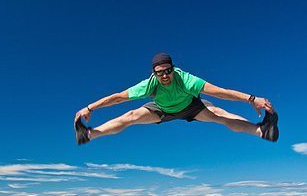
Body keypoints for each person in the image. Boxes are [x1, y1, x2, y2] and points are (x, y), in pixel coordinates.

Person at [74, 53, 279, 145]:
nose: (164, 75)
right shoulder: (150, 84)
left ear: (173, 69)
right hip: (162, 110)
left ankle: (262, 131)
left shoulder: (185, 79)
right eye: (159, 72)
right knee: (131, 115)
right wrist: (90, 107)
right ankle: (90, 134)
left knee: (219, 114)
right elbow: (118, 98)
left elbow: (218, 91)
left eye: (167, 71)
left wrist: (251, 99)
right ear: (153, 73)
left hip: (191, 106)